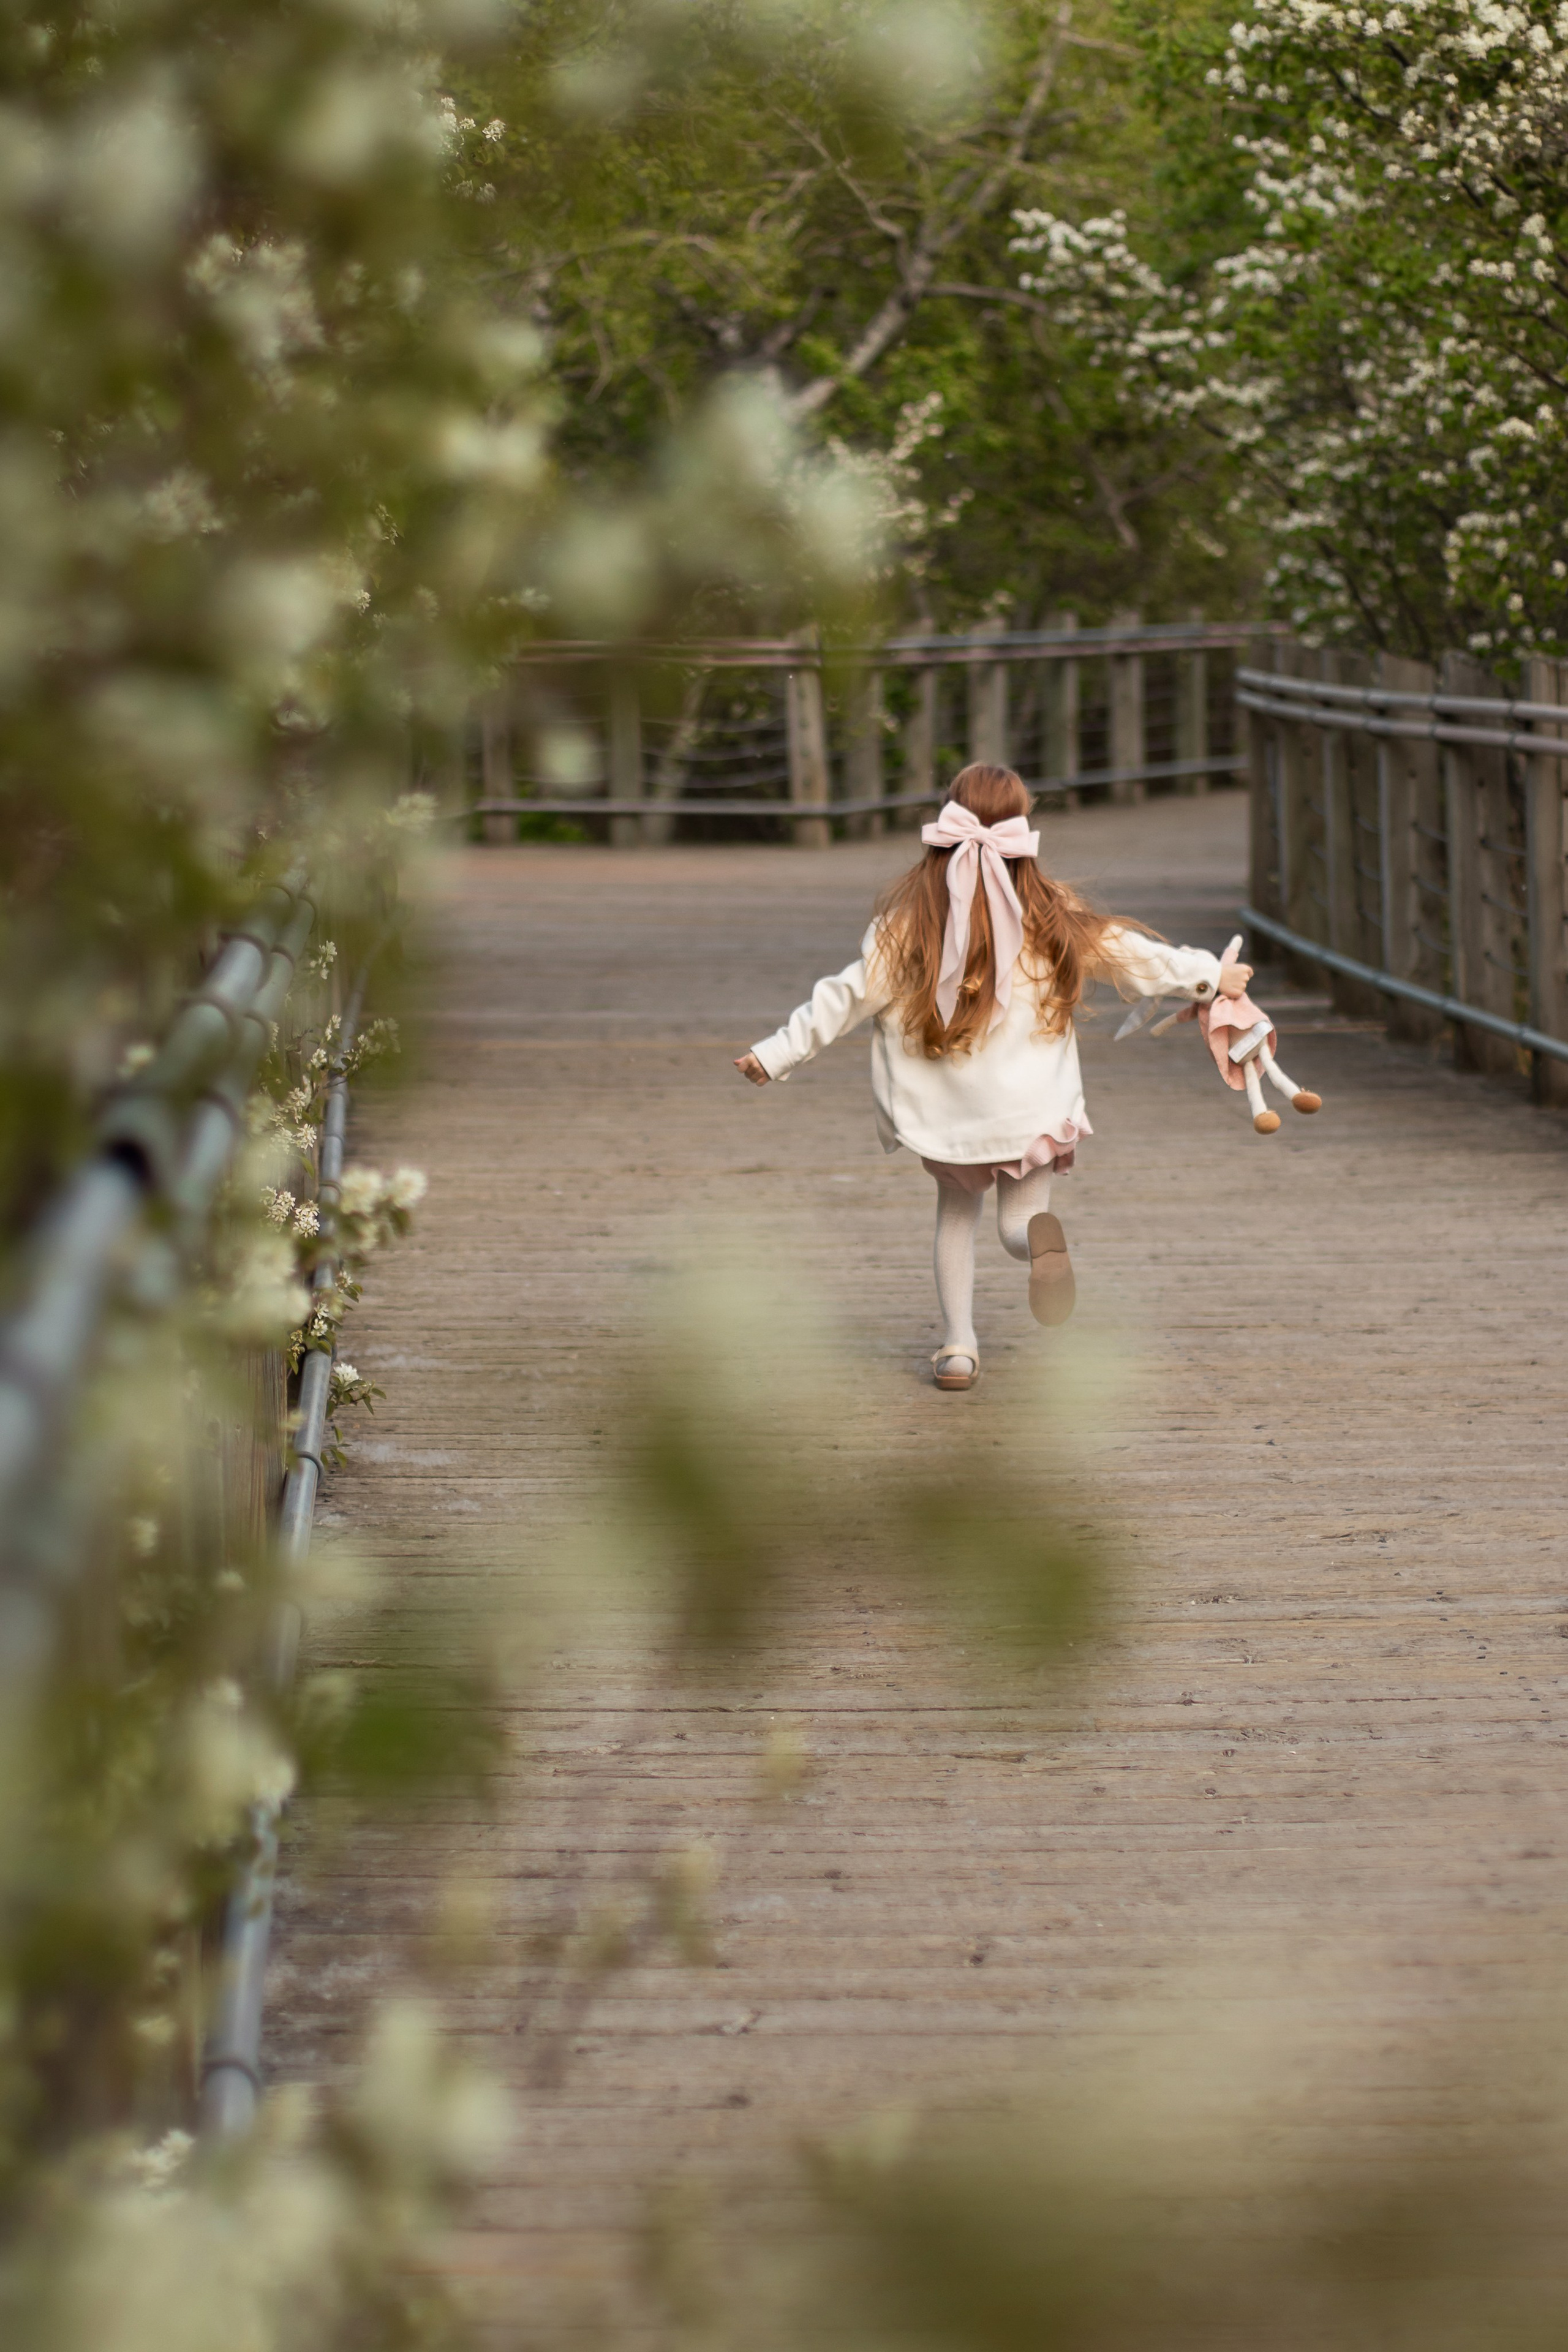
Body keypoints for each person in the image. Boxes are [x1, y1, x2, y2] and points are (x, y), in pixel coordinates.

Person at [733, 761, 1251, 1390]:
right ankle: (1036, 1244)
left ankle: (957, 1348)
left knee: (955, 1214)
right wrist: (1207, 977)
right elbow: (1128, 954)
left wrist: (776, 1052)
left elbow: (843, 998)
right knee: (1016, 1220)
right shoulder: (1052, 914)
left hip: (949, 1115)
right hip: (1030, 1108)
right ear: (1022, 829)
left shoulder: (908, 926)